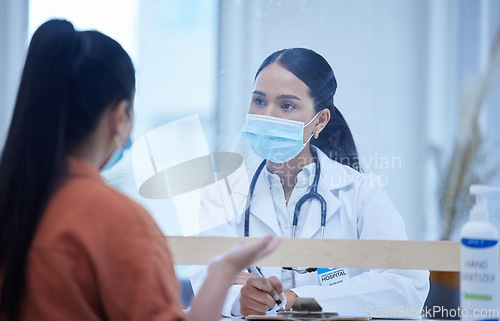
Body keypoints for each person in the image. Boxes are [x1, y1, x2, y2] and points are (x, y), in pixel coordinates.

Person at [0, 19, 280, 321]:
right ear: (120, 117)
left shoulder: (15, 202)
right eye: (259, 101)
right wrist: (223, 271)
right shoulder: (117, 223)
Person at [190, 48, 429, 317]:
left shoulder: (361, 192)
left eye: (286, 105)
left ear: (320, 121)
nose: (267, 115)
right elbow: (208, 278)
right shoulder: (222, 192)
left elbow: (406, 287)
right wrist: (239, 299)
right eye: (259, 101)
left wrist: (296, 298)